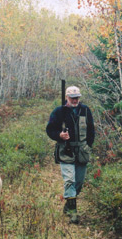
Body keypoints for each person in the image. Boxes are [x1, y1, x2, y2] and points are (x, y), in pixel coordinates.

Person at [46, 86, 95, 224]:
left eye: (77, 97)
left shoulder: (85, 110)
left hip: (82, 151)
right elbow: (50, 130)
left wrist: (88, 146)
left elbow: (91, 130)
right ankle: (73, 214)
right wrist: (59, 135)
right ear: (67, 97)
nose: (75, 100)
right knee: (69, 181)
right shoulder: (58, 111)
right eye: (72, 98)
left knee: (79, 182)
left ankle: (68, 205)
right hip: (65, 151)